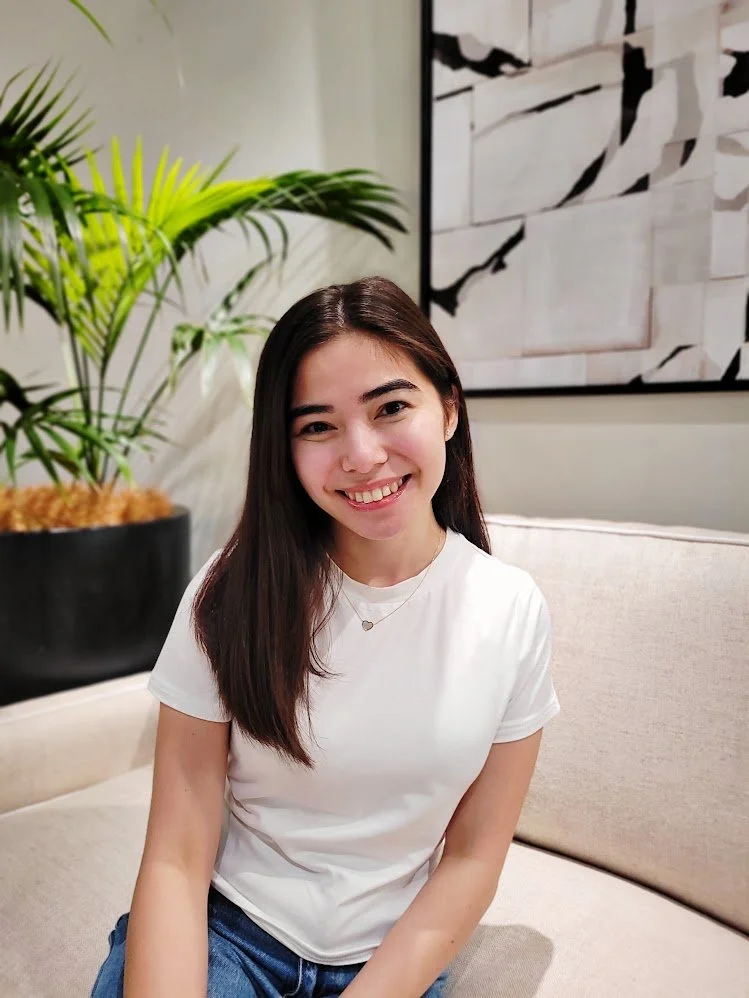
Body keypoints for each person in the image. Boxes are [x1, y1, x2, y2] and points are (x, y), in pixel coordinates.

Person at [90, 276, 561, 998]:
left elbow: (470, 858)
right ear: (283, 448)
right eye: (317, 426)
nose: (362, 454)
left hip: (390, 957)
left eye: (390, 407)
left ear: (448, 410)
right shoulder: (230, 594)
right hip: (228, 933)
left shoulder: (510, 610)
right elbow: (177, 858)